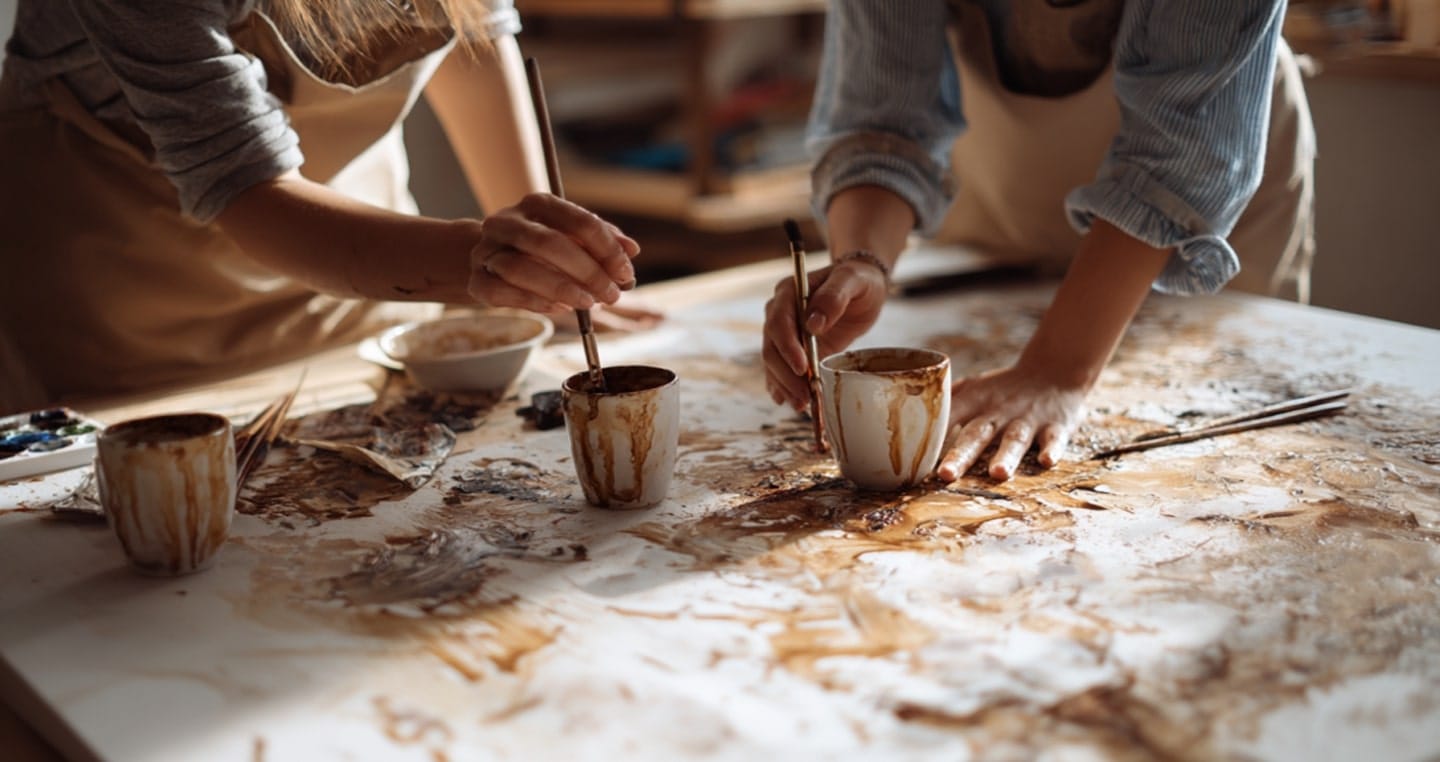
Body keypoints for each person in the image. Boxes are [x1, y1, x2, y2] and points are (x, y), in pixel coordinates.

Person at [0, 0, 656, 415]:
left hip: (365, 271)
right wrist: (493, 263)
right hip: (135, 316)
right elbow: (246, 186)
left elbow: (469, 38)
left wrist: (548, 272)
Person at [763, 0, 1315, 482]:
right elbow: (883, 122)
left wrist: (1058, 369)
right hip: (1005, 185)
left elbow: (1179, 157)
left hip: (1198, 188)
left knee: (1222, 444)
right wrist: (865, 259)